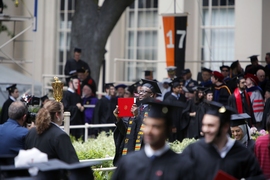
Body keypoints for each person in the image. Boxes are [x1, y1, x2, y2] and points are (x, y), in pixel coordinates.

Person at [182, 101, 265, 180]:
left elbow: (257, 177)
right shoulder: (193, 151)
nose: (205, 130)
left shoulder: (242, 153)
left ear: (225, 127)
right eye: (204, 125)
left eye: (211, 125)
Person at [112, 100, 193, 180]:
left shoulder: (181, 166)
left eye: (156, 127)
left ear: (170, 129)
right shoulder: (127, 162)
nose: (149, 131)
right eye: (146, 125)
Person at [112, 79, 161, 165]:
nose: (141, 93)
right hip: (130, 151)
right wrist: (119, 119)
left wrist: (137, 116)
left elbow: (149, 130)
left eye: (144, 91)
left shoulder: (155, 110)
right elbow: (127, 132)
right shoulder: (136, 107)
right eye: (140, 91)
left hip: (144, 153)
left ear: (152, 94)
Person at [25, 100, 79, 165]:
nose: (63, 116)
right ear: (57, 115)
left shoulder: (31, 132)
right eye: (62, 112)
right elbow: (73, 163)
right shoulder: (60, 136)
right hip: (53, 174)